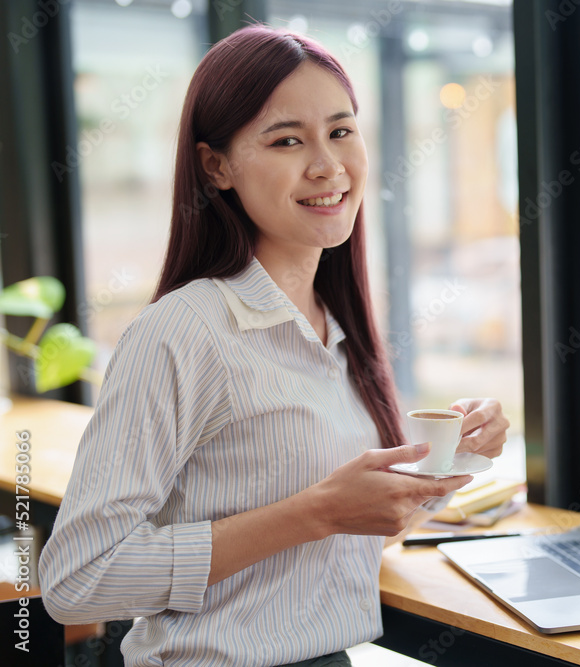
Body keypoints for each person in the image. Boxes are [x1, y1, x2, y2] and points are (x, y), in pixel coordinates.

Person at [38, 25, 510, 667]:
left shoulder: (335, 325)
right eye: (287, 140)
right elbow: (77, 580)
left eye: (341, 131)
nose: (328, 165)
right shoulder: (183, 333)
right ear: (217, 166)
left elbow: (358, 530)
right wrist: (315, 513)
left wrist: (452, 461)